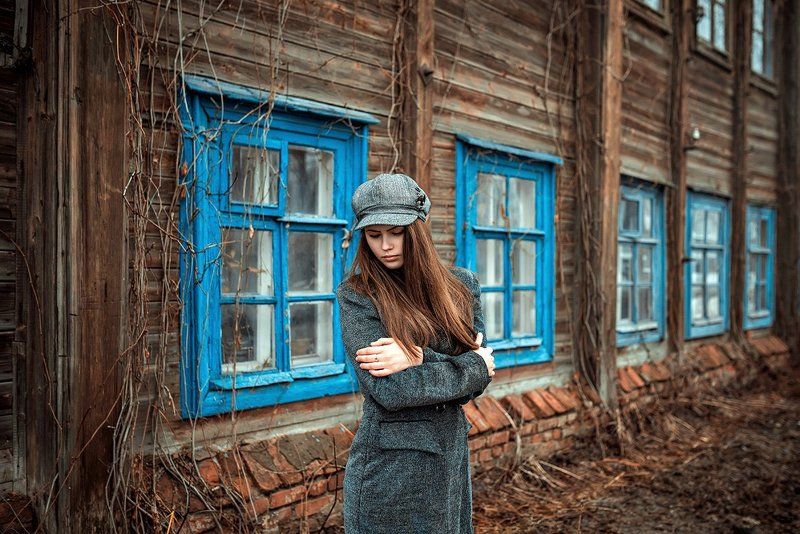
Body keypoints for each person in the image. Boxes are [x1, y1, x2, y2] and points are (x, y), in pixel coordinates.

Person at [335, 173, 496, 533]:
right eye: (374, 236)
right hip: (389, 471)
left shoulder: (462, 288)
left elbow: (479, 380)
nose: (385, 246)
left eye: (396, 232)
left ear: (417, 230)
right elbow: (390, 390)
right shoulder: (358, 295)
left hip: (449, 459)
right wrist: (466, 365)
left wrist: (418, 357)